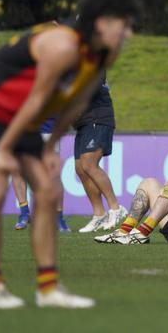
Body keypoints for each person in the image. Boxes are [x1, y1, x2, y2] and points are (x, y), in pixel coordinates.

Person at [0, 0, 141, 308]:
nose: (128, 35)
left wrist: (51, 144)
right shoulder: (62, 46)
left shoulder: (97, 60)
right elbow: (38, 97)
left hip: (22, 114)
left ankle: (48, 288)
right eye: (123, 26)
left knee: (49, 191)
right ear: (101, 23)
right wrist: (4, 149)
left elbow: (69, 105)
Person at [74, 77, 127, 233]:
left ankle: (116, 209)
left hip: (97, 117)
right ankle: (99, 214)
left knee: (89, 164)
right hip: (82, 122)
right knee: (80, 169)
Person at [13, 116, 71, 232]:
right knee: (18, 171)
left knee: (53, 175)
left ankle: (58, 217)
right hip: (20, 130)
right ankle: (24, 214)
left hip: (48, 130)